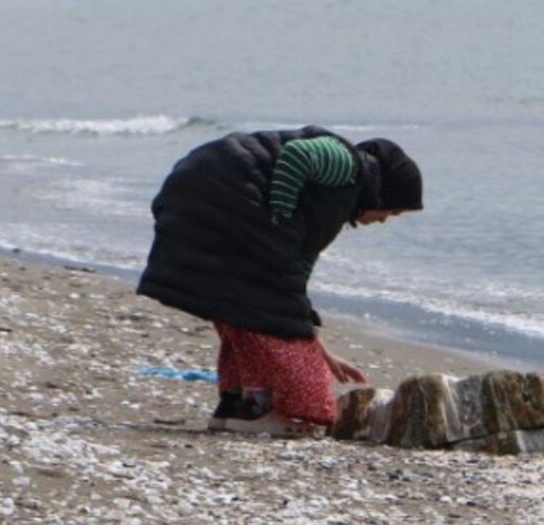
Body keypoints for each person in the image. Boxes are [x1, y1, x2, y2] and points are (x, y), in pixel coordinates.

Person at [137, 125, 423, 436]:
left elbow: (289, 291)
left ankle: (241, 407)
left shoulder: (325, 209)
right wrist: (280, 212)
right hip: (227, 193)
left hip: (200, 190)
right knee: (309, 394)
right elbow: (298, 155)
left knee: (245, 308)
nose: (382, 220)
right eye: (391, 211)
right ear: (384, 191)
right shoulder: (347, 163)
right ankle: (270, 411)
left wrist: (315, 343)